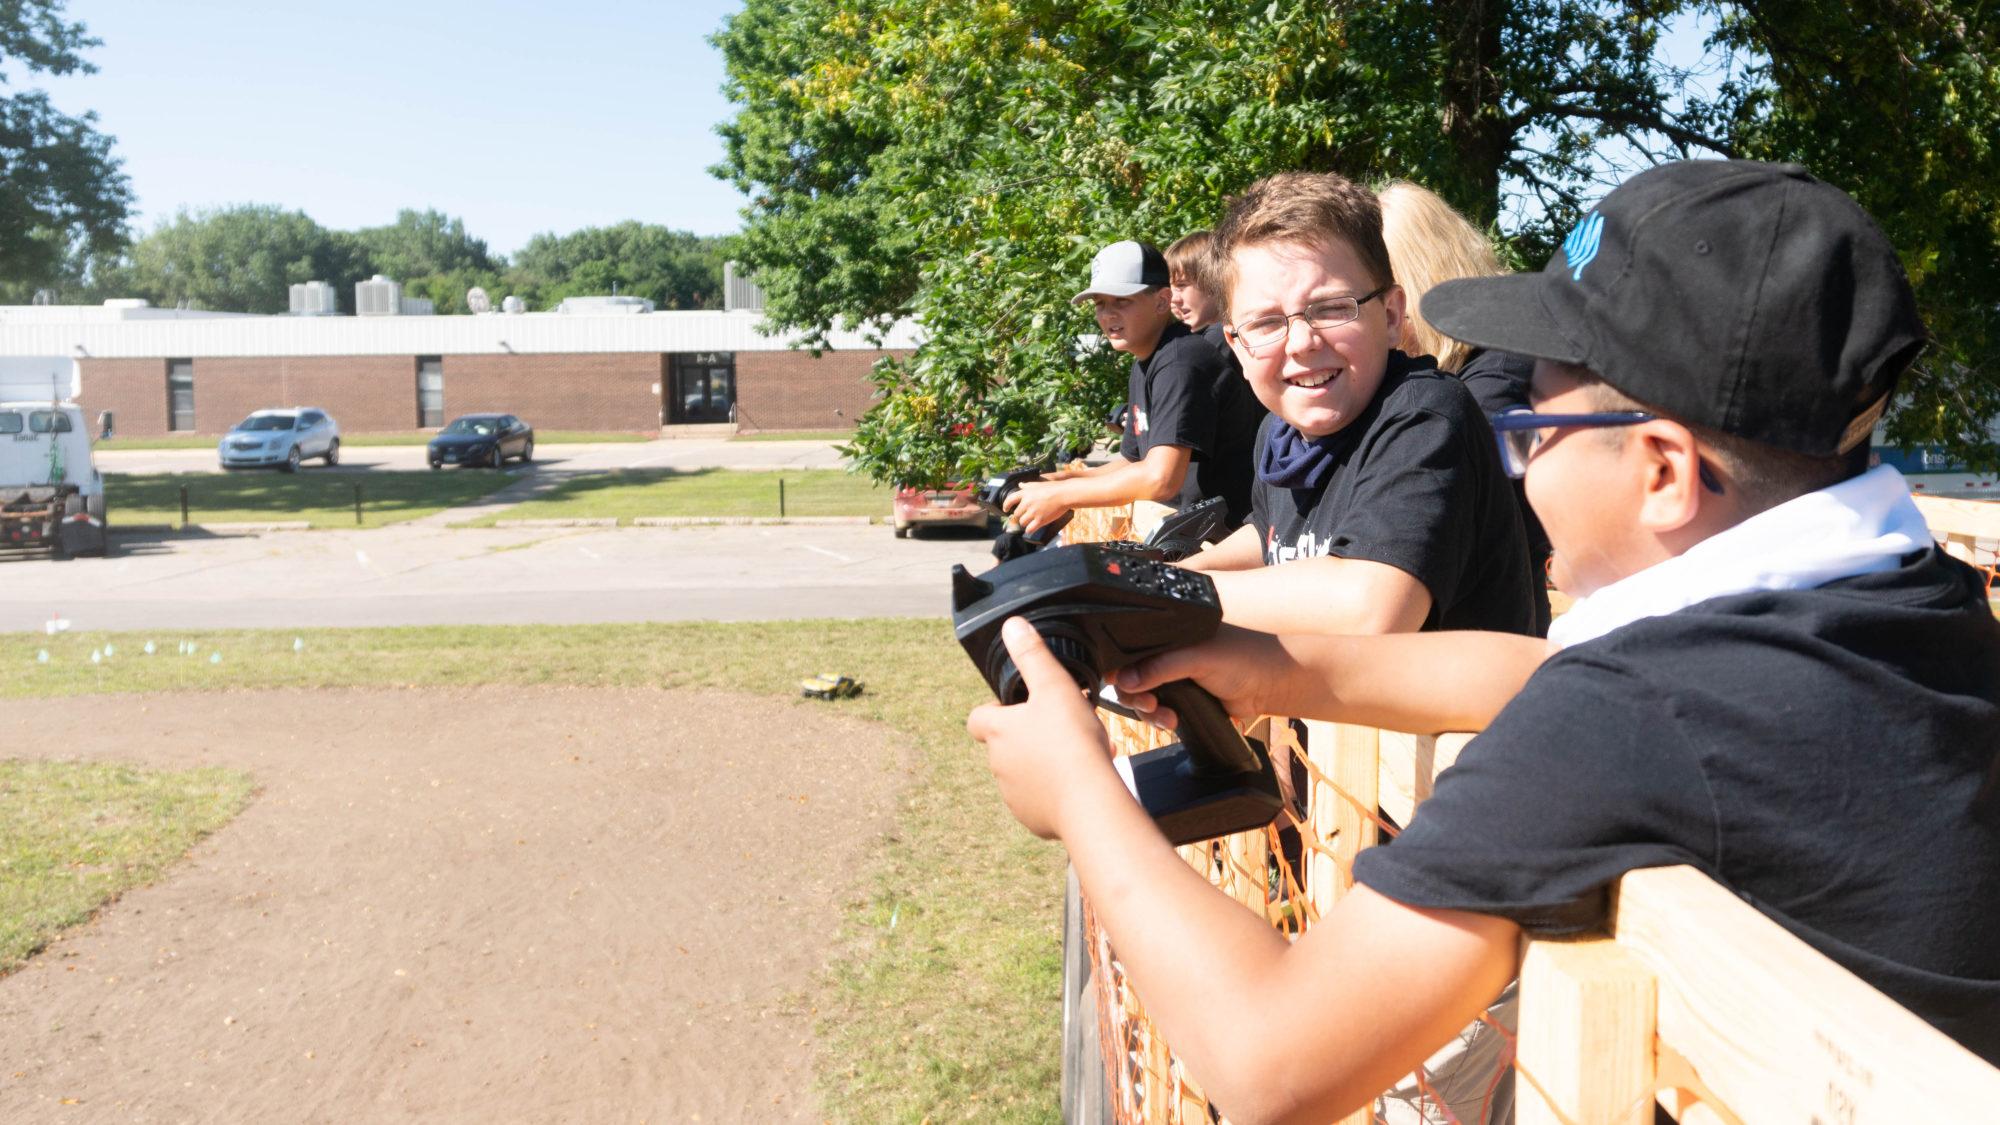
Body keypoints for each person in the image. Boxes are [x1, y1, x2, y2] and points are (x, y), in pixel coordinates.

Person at [967, 160, 2000, 1123]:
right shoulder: (1916, 606)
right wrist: (1263, 668)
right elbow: (1533, 671)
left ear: (1660, 473)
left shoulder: (1628, 721)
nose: (1521, 459)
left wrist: (1079, 794)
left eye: (1531, 427)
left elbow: (1266, 1060)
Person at [1178, 172, 1537, 640]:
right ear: (1237, 345)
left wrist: (1165, 593)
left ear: (1390, 316)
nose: (1302, 343)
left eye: (1330, 308)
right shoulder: (1281, 432)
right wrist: (1176, 568)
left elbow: (1372, 608)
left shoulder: (1424, 416)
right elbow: (1271, 537)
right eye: (1266, 323)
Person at [1379, 180, 1552, 633]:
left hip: (1489, 642)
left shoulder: (1496, 374)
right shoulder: (1476, 363)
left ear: (1409, 285)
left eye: (1377, 299)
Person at [1007, 239, 1265, 532]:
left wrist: (1062, 496)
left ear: (1161, 301)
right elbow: (1133, 463)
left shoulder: (1182, 362)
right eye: (1100, 304)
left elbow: (1160, 479)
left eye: (1122, 301)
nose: (1107, 315)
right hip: (1191, 531)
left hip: (1229, 538)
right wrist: (1054, 481)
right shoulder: (1149, 359)